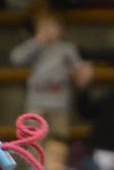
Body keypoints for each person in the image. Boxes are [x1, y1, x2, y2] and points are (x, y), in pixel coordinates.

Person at [12, 7, 92, 136]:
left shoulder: (67, 49)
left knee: (59, 139)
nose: (48, 31)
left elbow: (79, 69)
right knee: (33, 137)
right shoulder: (34, 47)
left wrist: (84, 73)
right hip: (36, 101)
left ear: (61, 29)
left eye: (52, 26)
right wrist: (36, 42)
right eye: (44, 27)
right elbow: (16, 58)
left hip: (59, 103)